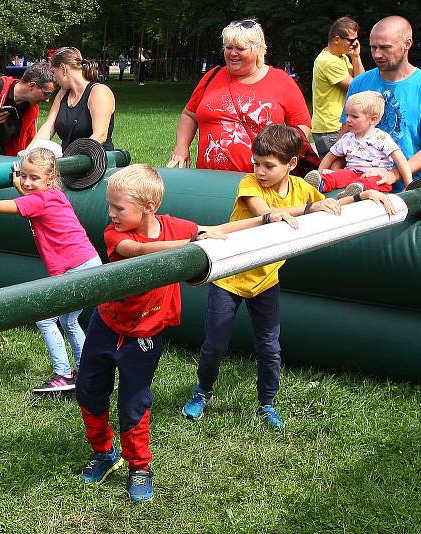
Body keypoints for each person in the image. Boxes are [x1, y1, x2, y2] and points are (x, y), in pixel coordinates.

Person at [76, 163, 298, 502]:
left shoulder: (172, 226)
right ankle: (104, 452)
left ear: (148, 207)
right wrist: (190, 242)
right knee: (90, 392)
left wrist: (267, 218)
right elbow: (138, 252)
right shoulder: (116, 234)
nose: (111, 213)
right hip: (105, 326)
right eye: (110, 206)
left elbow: (221, 229)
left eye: (118, 207)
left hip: (144, 336)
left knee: (133, 402)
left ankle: (139, 466)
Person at [181, 125, 395, 429]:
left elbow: (328, 205)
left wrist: (362, 195)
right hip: (229, 280)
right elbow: (265, 214)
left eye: (269, 165)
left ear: (292, 164)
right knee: (215, 342)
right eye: (256, 162)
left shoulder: (301, 189)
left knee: (269, 346)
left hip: (265, 281)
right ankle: (202, 392)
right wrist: (309, 206)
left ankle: (266, 404)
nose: (260, 170)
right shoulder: (250, 184)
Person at [0, 148, 102, 393]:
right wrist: (18, 185)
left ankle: (63, 374)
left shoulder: (40, 200)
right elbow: (32, 206)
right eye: (25, 176)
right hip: (89, 263)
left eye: (35, 178)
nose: (28, 182)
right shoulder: (54, 195)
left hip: (76, 267)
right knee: (69, 320)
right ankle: (87, 373)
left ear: (50, 178)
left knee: (46, 318)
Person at [167, 19, 311, 171]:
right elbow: (189, 115)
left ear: (258, 49)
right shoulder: (212, 76)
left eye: (240, 49)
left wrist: (281, 154)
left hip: (259, 181)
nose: (232, 53)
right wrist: (182, 147)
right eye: (228, 47)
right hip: (207, 179)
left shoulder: (281, 81)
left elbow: (302, 126)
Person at [342, 16, 421, 193]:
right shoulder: (359, 83)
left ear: (407, 44)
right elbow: (346, 133)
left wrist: (394, 174)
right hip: (361, 188)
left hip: (409, 190)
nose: (377, 54)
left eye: (385, 47)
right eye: (373, 47)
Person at [305, 91, 412, 197]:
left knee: (376, 181)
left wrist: (409, 185)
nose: (348, 120)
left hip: (376, 176)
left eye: (354, 117)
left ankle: (358, 189)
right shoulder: (347, 138)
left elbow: (401, 160)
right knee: (340, 174)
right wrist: (321, 172)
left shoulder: (381, 138)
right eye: (347, 115)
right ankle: (321, 183)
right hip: (352, 175)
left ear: (373, 119)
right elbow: (329, 157)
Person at [29, 47, 115, 152]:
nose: (54, 78)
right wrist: (28, 151)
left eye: (53, 72)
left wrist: (71, 157)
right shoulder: (62, 93)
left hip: (97, 160)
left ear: (63, 68)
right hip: (69, 161)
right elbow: (49, 126)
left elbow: (100, 135)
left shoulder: (99, 92)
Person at [311, 17, 365, 155]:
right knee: (334, 173)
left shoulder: (342, 57)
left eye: (356, 39)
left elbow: (360, 80)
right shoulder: (328, 61)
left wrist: (356, 57)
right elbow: (359, 88)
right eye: (351, 40)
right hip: (330, 128)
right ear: (337, 39)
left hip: (336, 126)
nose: (355, 43)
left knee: (341, 172)